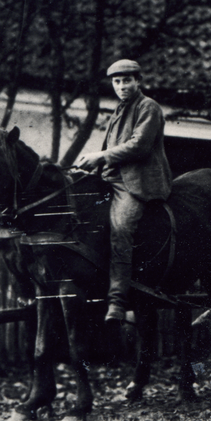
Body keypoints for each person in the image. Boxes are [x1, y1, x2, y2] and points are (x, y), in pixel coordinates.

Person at [77, 59, 173, 322]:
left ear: (138, 81)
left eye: (127, 80)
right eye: (117, 81)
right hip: (111, 179)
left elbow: (139, 146)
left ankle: (118, 301)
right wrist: (91, 166)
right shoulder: (119, 110)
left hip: (137, 183)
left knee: (121, 229)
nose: (122, 86)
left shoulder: (148, 107)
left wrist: (101, 156)